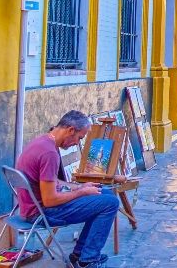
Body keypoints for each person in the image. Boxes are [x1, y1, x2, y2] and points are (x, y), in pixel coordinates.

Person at [16, 111, 119, 268]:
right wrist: (81, 192)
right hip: (40, 213)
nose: (77, 143)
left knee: (103, 193)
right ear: (71, 130)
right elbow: (50, 200)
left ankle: (80, 254)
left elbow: (52, 181)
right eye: (79, 138)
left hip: (32, 207)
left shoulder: (43, 141)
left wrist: (80, 186)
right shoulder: (49, 153)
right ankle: (88, 260)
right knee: (110, 203)